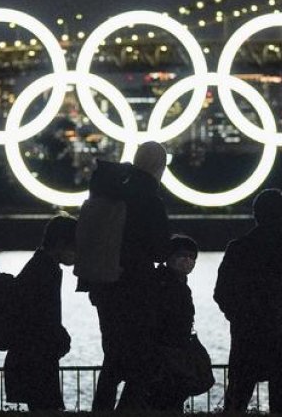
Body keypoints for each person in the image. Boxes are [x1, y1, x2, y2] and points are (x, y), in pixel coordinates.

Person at [83, 141, 170, 411]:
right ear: (159, 167)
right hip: (137, 288)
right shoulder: (148, 199)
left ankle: (101, 411)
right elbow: (160, 250)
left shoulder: (113, 190)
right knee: (144, 361)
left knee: (113, 357)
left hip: (105, 284)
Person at [215, 189, 282, 415]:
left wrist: (237, 316)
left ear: (255, 214)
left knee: (237, 399)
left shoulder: (237, 248)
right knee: (281, 404)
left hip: (246, 335)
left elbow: (221, 292)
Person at [4, 215, 77, 411]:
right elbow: (44, 315)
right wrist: (59, 337)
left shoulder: (39, 265)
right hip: (37, 358)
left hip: (28, 356)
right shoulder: (47, 270)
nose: (77, 252)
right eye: (74, 246)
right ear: (61, 243)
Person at [149, 234, 201, 412]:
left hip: (171, 349)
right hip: (167, 351)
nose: (187, 260)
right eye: (182, 255)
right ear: (169, 257)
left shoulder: (174, 282)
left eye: (192, 257)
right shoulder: (166, 283)